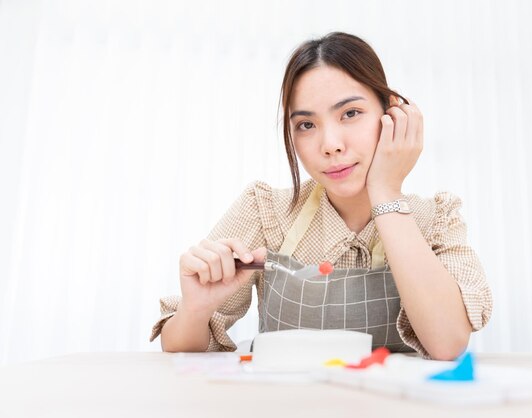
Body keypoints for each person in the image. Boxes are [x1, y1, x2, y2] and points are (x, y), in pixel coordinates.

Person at [150, 32, 492, 360]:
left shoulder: (436, 219)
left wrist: (386, 192)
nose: (330, 145)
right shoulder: (265, 210)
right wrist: (195, 310)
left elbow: (447, 343)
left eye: (350, 114)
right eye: (306, 125)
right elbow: (179, 349)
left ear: (392, 115)